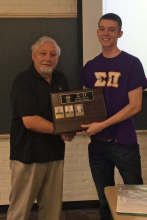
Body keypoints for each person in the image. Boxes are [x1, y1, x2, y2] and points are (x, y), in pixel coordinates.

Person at [79, 13, 147, 220]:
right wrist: (72, 128)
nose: (105, 33)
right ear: (97, 32)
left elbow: (135, 106)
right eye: (102, 28)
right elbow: (85, 107)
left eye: (111, 29)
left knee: (135, 200)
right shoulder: (90, 67)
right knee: (103, 201)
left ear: (120, 33)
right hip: (97, 146)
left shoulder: (132, 63)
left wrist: (103, 125)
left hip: (124, 143)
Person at [7, 36, 75, 220]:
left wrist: (72, 129)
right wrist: (62, 130)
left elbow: (67, 114)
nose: (48, 58)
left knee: (52, 212)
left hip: (54, 154)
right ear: (33, 55)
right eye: (43, 53)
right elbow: (30, 121)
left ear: (58, 59)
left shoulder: (61, 78)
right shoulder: (23, 80)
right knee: (20, 211)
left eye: (53, 54)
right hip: (27, 155)